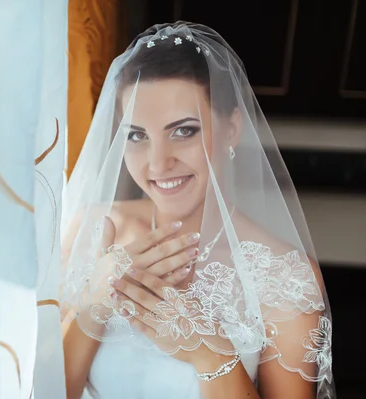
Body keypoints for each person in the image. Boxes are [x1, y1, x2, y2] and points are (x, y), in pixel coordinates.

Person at [60, 22, 335, 399]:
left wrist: (211, 355)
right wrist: (92, 307)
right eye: (137, 135)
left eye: (183, 130)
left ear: (232, 128)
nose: (157, 163)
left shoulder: (284, 275)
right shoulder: (91, 231)